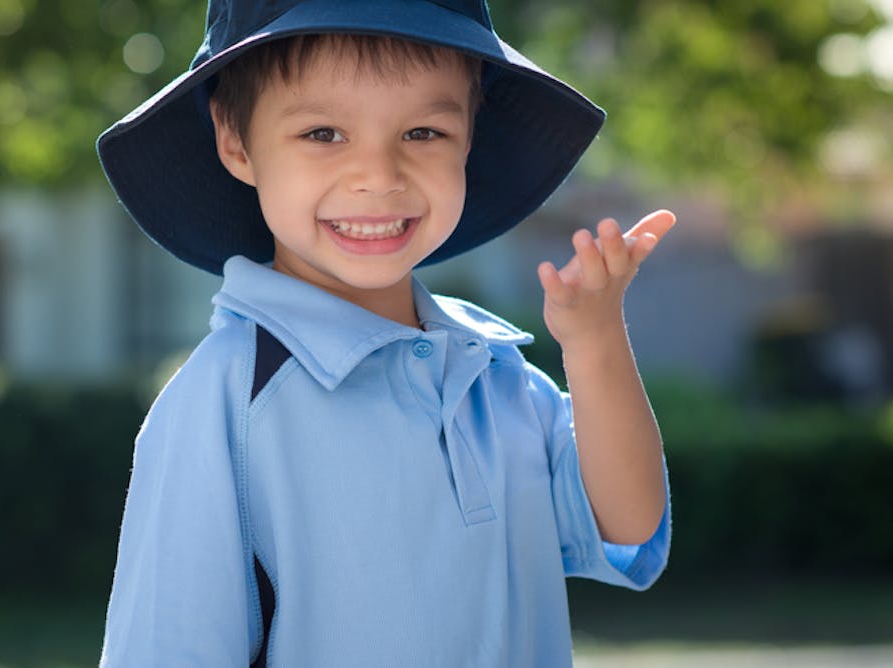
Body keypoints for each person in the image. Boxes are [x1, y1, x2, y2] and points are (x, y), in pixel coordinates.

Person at [96, 1, 673, 665]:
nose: (379, 175)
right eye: (323, 134)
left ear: (470, 136)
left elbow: (628, 525)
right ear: (235, 140)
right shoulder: (225, 398)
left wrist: (594, 342)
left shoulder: (493, 372)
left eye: (423, 132)